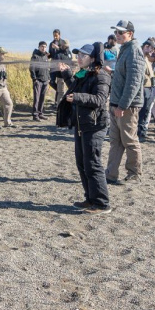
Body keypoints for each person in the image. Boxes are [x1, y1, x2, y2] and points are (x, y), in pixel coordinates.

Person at [56, 43, 112, 214]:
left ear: (93, 58)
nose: (78, 58)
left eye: (83, 55)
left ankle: (102, 204)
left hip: (95, 125)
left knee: (93, 164)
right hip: (81, 125)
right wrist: (66, 75)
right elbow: (75, 87)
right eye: (78, 55)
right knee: (82, 163)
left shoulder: (102, 75)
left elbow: (100, 99)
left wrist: (78, 97)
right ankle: (90, 199)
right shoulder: (83, 73)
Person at [106, 20, 146, 185]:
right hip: (117, 103)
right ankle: (110, 174)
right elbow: (125, 76)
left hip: (127, 106)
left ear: (130, 33)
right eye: (116, 32)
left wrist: (122, 105)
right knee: (115, 141)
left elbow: (133, 83)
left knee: (130, 140)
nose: (117, 35)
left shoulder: (134, 51)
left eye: (120, 32)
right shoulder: (125, 49)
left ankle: (134, 174)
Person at [137, 40, 155, 141]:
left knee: (146, 111)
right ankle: (140, 133)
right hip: (143, 88)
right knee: (142, 111)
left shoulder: (146, 58)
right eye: (151, 49)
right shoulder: (139, 57)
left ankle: (143, 132)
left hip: (148, 88)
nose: (152, 52)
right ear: (146, 46)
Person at [49, 38, 73, 108]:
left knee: (70, 91)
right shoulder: (58, 54)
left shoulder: (69, 53)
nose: (66, 47)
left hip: (69, 75)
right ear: (62, 45)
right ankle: (59, 106)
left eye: (67, 46)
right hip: (61, 76)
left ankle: (66, 106)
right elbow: (57, 65)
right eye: (64, 45)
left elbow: (70, 61)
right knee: (61, 92)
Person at [30, 41, 51, 120]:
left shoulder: (46, 56)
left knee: (42, 97)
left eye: (45, 47)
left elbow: (47, 68)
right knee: (37, 98)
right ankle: (35, 115)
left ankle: (40, 113)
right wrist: (34, 79)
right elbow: (31, 68)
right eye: (42, 46)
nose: (44, 48)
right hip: (38, 80)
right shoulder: (35, 56)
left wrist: (49, 78)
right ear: (39, 47)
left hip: (45, 80)